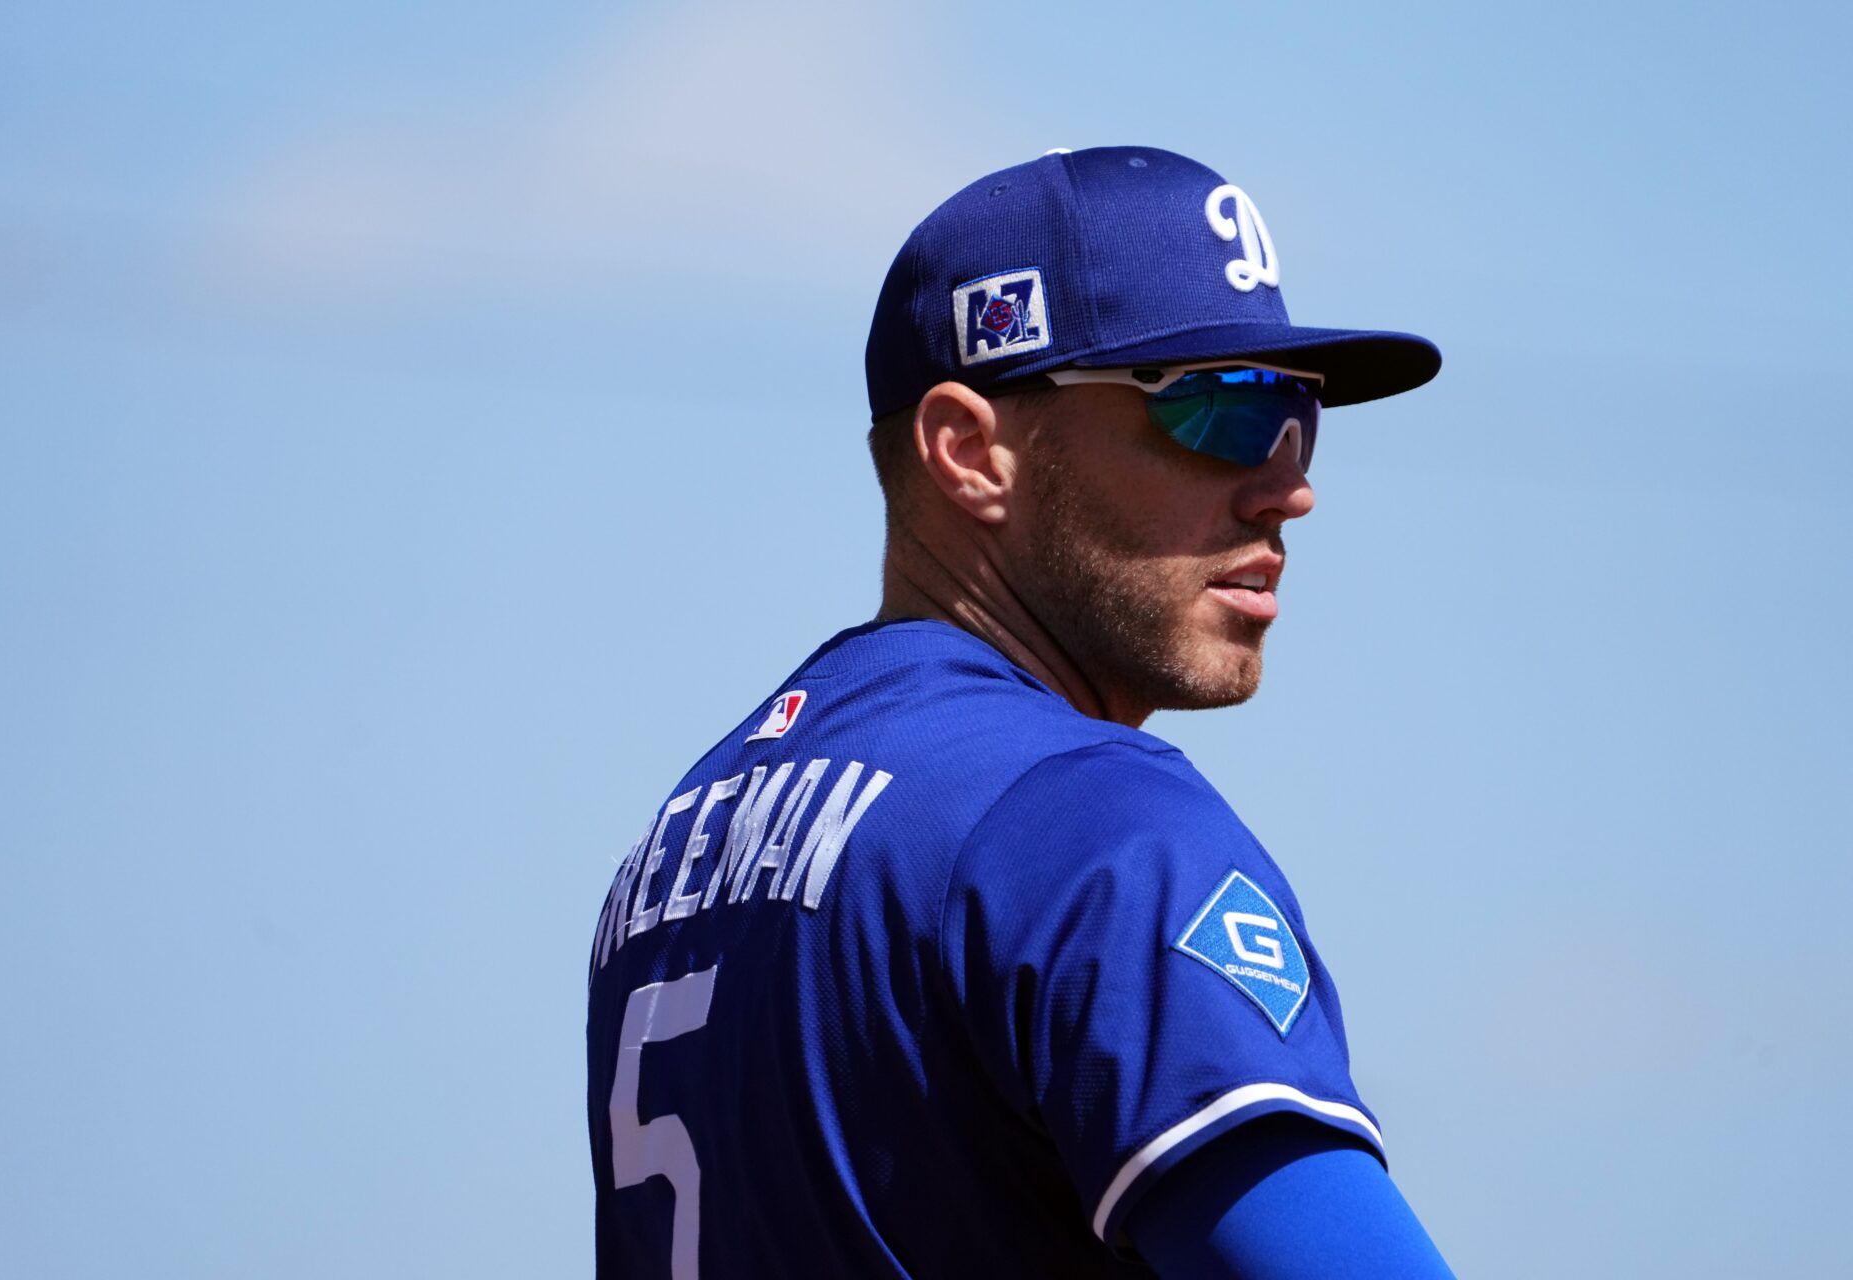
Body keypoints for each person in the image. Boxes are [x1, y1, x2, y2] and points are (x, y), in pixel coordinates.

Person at [586, 145, 1455, 1278]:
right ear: (970, 452)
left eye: (1299, 413)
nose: (1287, 485)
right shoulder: (1087, 823)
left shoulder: (674, 846)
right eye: (1220, 408)